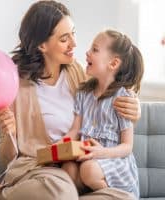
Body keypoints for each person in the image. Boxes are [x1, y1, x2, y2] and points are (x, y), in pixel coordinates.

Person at [0, 1, 141, 200]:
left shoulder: (79, 74)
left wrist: (135, 106)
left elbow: (112, 89)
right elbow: (7, 158)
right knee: (60, 191)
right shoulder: (14, 83)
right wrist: (9, 133)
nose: (74, 44)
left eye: (73, 34)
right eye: (64, 39)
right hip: (41, 171)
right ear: (42, 45)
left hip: (78, 172)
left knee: (124, 198)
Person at [61, 30, 144, 199]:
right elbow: (74, 131)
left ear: (113, 64)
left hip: (113, 160)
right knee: (67, 169)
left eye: (95, 50)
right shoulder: (83, 93)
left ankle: (115, 196)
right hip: (88, 157)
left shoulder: (123, 98)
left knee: (88, 170)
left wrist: (102, 153)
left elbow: (127, 147)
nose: (87, 52)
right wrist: (57, 148)